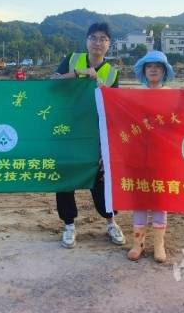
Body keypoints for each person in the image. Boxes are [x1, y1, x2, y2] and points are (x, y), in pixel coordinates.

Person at [50, 22, 125, 248]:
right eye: (93, 37)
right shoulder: (73, 59)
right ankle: (69, 225)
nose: (98, 43)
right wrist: (79, 73)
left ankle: (111, 221)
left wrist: (98, 82)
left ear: (109, 44)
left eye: (103, 39)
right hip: (66, 130)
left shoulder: (112, 73)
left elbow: (114, 106)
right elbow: (51, 82)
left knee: (100, 177)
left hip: (94, 134)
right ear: (86, 41)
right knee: (65, 178)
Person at [127, 50, 175, 263]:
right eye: (149, 66)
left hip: (162, 156)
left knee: (159, 198)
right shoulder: (134, 96)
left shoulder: (172, 95)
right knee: (139, 198)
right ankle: (137, 243)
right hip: (138, 155)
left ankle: (159, 245)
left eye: (158, 66)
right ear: (144, 71)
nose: (153, 69)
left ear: (164, 71)